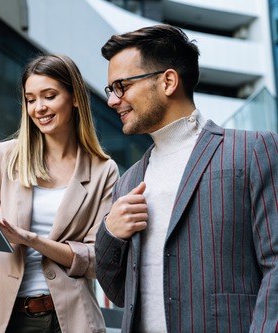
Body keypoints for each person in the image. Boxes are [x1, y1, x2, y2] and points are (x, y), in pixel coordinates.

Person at [94, 24, 278, 333]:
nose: (113, 100)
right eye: (111, 90)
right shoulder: (129, 181)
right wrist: (110, 232)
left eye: (121, 86)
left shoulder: (251, 150)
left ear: (168, 81)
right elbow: (119, 293)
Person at [0, 54, 119, 333]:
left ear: (75, 98)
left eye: (49, 96)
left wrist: (33, 240)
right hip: (5, 318)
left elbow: (97, 260)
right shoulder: (3, 157)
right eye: (30, 99)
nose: (39, 107)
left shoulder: (103, 170)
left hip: (71, 320)